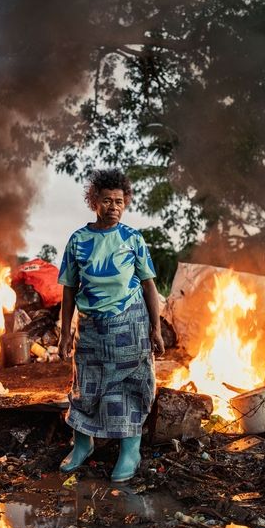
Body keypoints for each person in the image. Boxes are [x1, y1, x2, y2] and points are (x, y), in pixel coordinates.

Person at [57, 169, 165, 482]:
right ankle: (82, 444)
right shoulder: (78, 240)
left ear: (126, 203)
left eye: (119, 201)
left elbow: (148, 286)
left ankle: (130, 450)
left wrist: (156, 330)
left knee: (130, 387)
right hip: (90, 327)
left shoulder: (132, 239)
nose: (114, 207)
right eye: (107, 201)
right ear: (94, 202)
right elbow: (68, 289)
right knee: (86, 386)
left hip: (129, 325)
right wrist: (65, 334)